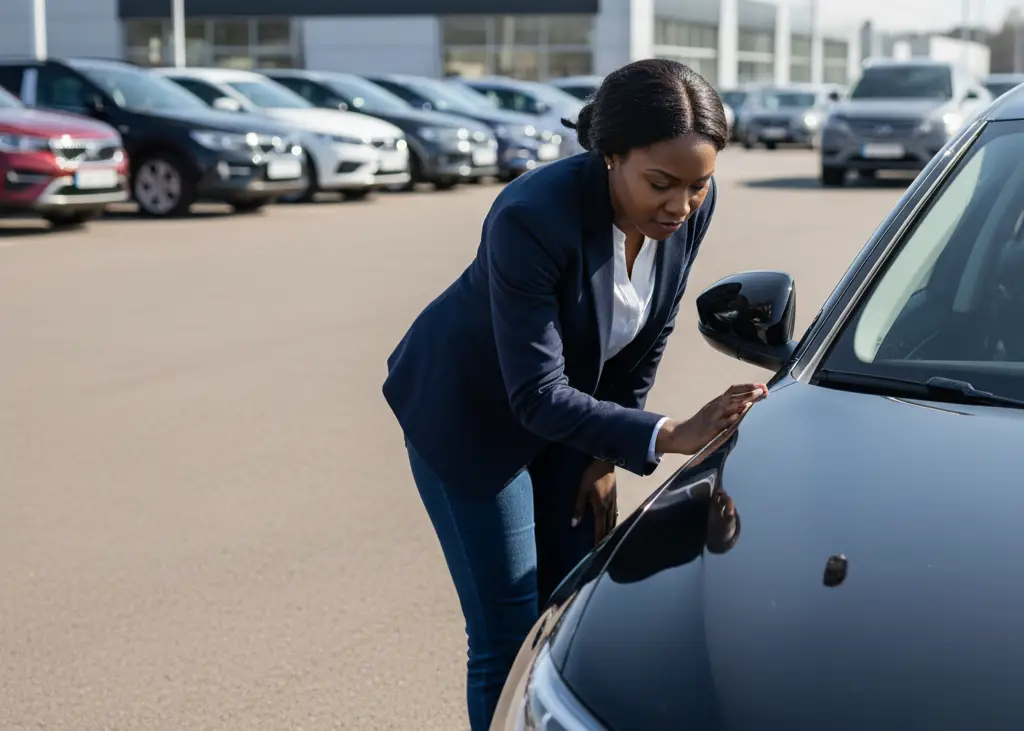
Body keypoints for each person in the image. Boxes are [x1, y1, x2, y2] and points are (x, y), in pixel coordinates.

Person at [382, 58, 767, 731]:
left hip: (568, 416)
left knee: (570, 609)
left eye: (699, 186)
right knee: (506, 633)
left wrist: (601, 456)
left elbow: (649, 331)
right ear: (610, 155)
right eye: (661, 184)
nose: (680, 206)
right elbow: (534, 394)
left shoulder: (687, 208)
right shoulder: (531, 216)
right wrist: (666, 432)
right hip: (473, 419)